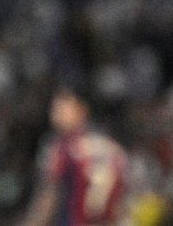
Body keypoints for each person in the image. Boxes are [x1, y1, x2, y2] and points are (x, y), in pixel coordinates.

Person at [23, 87, 130, 226]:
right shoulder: (113, 147)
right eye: (54, 107)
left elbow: (49, 198)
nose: (55, 113)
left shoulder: (65, 146)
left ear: (82, 110)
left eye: (62, 107)